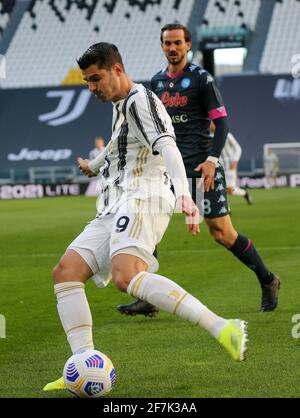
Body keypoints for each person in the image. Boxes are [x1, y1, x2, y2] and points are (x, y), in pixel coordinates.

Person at [43, 42, 248, 391]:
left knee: (128, 276)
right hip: (114, 202)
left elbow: (167, 145)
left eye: (95, 79)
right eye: (87, 81)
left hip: (144, 197)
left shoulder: (142, 100)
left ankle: (222, 327)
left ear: (117, 70)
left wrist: (185, 195)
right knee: (66, 273)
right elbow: (117, 142)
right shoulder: (121, 104)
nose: (91, 88)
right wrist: (93, 166)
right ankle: (83, 363)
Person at [117, 23, 280, 317]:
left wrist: (212, 159)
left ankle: (268, 280)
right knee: (147, 229)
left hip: (202, 167)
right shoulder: (156, 83)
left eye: (178, 42)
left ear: (188, 45)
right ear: (162, 46)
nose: (173, 48)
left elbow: (223, 124)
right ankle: (147, 297)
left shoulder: (202, 80)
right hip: (167, 170)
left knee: (222, 233)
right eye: (168, 43)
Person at [213, 124, 253, 205]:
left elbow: (238, 148)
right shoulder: (209, 137)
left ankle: (244, 193)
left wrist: (235, 160)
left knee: (230, 190)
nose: (210, 125)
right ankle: (227, 210)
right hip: (218, 167)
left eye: (212, 123)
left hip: (230, 166)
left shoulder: (227, 135)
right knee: (221, 188)